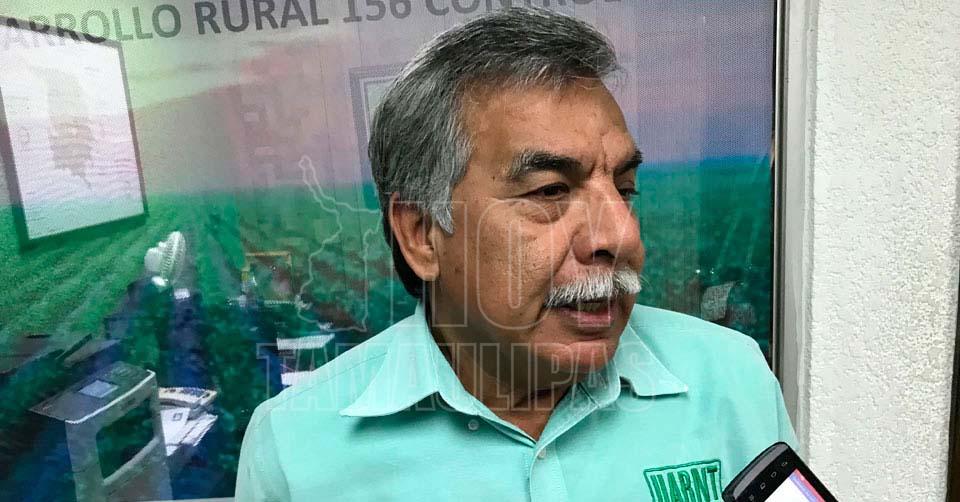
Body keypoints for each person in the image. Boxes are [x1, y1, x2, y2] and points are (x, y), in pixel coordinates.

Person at [236, 7, 797, 501]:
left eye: (625, 190)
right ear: (422, 233)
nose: (623, 237)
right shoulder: (296, 449)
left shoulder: (731, 379)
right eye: (550, 191)